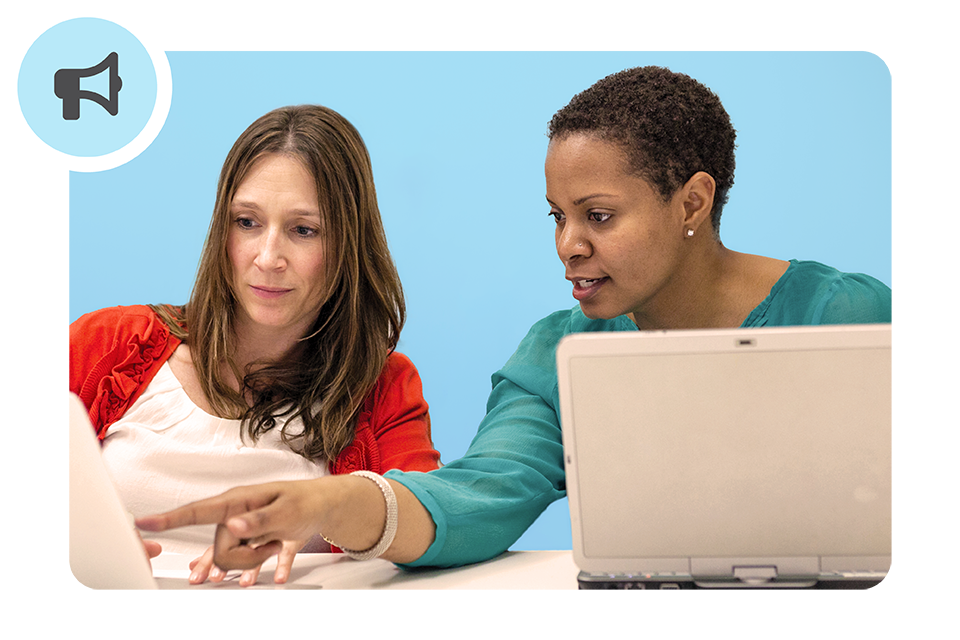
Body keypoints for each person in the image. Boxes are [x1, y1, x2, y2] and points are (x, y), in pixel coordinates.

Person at [137, 67, 907, 571]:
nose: (568, 245)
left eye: (598, 215)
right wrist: (337, 502)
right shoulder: (558, 351)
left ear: (692, 204)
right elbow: (482, 495)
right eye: (558, 216)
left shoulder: (842, 312)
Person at [69, 105, 441, 585]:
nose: (268, 258)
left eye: (303, 230)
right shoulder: (108, 345)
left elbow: (430, 528)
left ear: (349, 243)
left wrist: (325, 509)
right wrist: (71, 551)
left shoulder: (383, 386)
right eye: (247, 222)